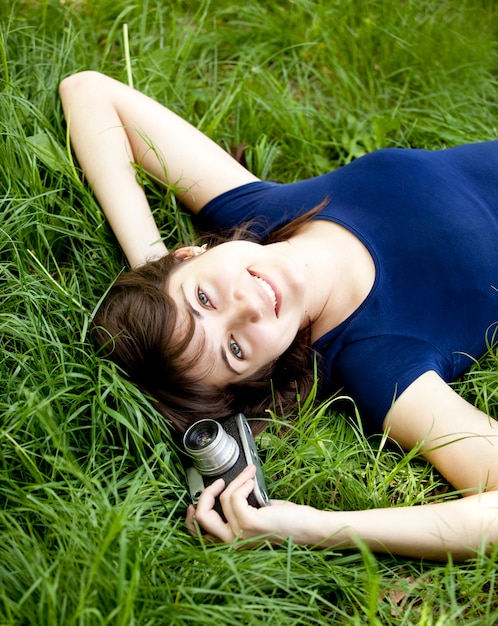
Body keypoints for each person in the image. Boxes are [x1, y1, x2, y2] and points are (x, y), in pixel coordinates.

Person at [59, 70, 498, 561]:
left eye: (204, 298)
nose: (246, 306)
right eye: (235, 349)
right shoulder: (382, 362)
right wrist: (315, 526)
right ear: (266, 370)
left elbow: (89, 91)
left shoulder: (263, 211)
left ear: (190, 253)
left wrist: (150, 263)